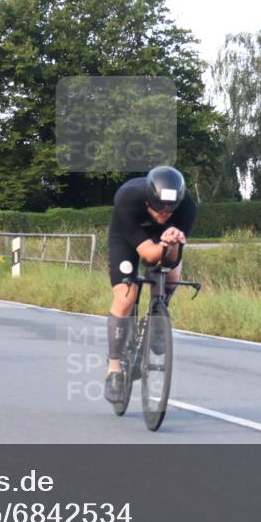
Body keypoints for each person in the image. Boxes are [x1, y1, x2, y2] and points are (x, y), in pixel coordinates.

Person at [104, 166, 196, 407]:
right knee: (126, 296)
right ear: (148, 200)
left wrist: (172, 242)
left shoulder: (186, 207)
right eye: (159, 208)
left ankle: (158, 317)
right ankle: (113, 368)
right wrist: (163, 245)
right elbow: (148, 255)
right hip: (127, 239)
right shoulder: (127, 199)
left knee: (173, 274)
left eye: (170, 209)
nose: (165, 213)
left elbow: (171, 259)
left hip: (164, 239)